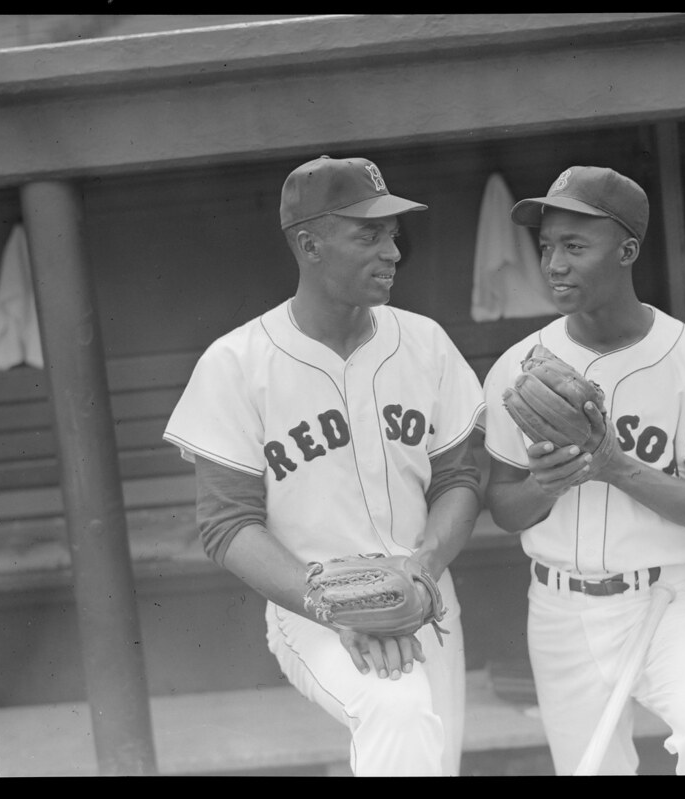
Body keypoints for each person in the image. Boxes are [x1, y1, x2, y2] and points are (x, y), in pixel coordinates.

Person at [163, 155, 485, 777]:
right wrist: (336, 609)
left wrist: (423, 566)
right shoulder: (237, 363)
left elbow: (459, 479)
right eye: (369, 234)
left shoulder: (424, 342)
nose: (392, 250)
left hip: (427, 592)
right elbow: (227, 526)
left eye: (393, 232)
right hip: (308, 604)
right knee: (396, 710)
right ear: (309, 244)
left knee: (430, 759)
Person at [482, 165, 685, 775]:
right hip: (560, 604)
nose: (553, 264)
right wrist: (547, 482)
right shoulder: (521, 365)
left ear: (627, 250)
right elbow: (504, 507)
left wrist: (618, 467)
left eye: (574, 246)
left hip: (666, 598)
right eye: (545, 247)